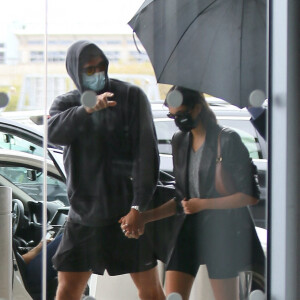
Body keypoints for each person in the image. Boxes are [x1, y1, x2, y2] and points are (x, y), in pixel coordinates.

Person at [120, 86, 265, 300]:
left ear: (197, 108)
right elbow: (182, 200)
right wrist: (144, 218)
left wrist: (204, 204)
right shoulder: (180, 141)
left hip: (221, 230)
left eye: (182, 114)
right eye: (172, 115)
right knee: (174, 295)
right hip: (188, 228)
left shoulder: (227, 139)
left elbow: (250, 196)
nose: (178, 120)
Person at [47, 40, 164, 300]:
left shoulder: (132, 97)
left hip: (125, 214)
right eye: (89, 69)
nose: (98, 73)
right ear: (75, 72)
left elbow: (147, 156)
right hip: (84, 216)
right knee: (67, 289)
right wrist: (86, 109)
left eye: (102, 66)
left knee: (151, 290)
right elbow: (52, 134)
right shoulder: (66, 104)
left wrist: (139, 207)